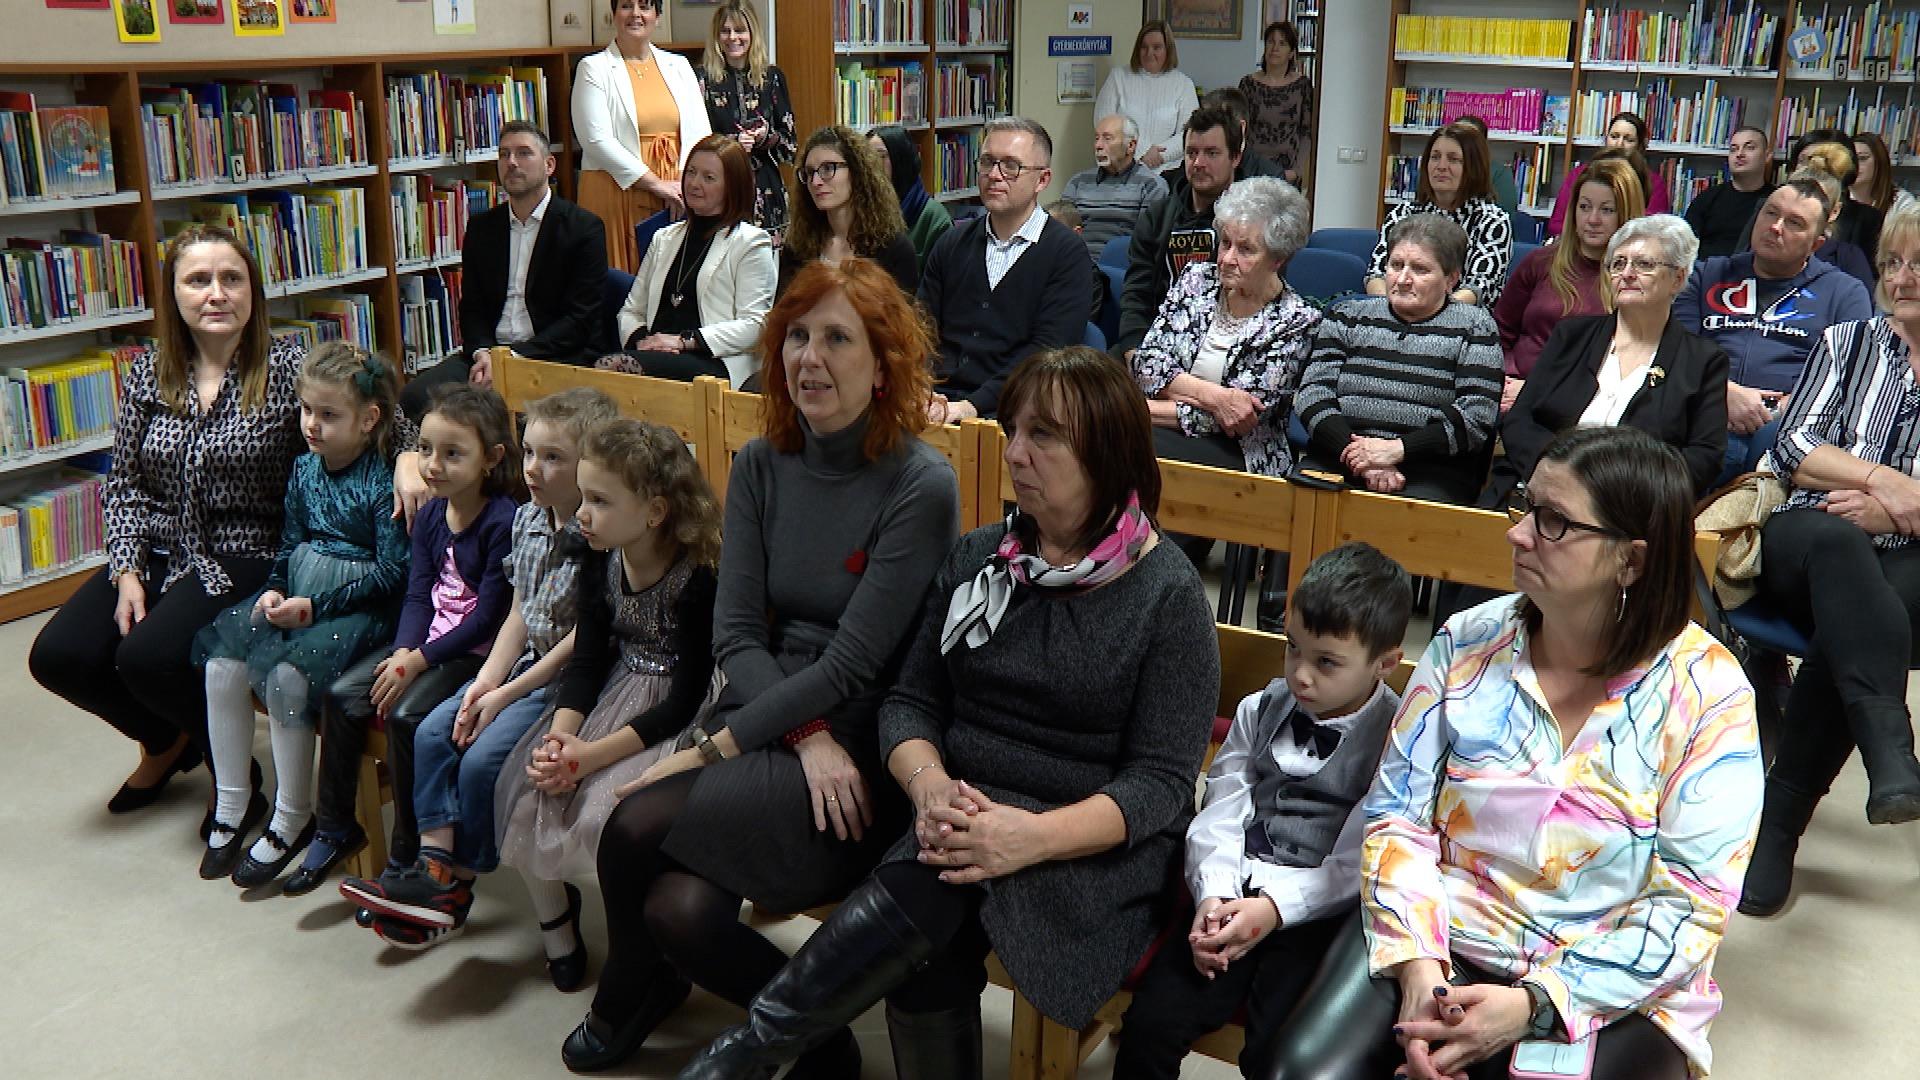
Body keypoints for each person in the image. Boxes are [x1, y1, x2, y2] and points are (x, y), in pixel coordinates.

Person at [676, 346, 1219, 1080]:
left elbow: (1160, 784)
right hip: (959, 807)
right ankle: (747, 1056)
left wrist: (1030, 837)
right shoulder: (980, 559)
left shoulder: (1168, 595)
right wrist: (928, 785)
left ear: (1108, 452)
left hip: (1085, 846)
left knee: (929, 891)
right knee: (935, 915)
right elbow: (912, 702)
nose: (1016, 452)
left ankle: (743, 1057)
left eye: (1044, 435)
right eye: (1014, 429)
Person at [1259, 425, 1761, 1080]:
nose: (1518, 533)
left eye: (1553, 522)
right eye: (1526, 506)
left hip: (1605, 974)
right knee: (1300, 1071)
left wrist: (1533, 1004)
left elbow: (1691, 905)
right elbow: (1397, 817)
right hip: (1441, 932)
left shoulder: (1711, 693)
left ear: (1631, 562)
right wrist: (1421, 971)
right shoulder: (1468, 641)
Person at [557, 258, 960, 1075]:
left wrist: (728, 747)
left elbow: (853, 664)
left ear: (883, 364)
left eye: (837, 339)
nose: (810, 357)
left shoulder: (922, 482)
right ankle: (818, 1042)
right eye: (797, 337)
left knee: (633, 826)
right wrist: (800, 735)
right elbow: (736, 633)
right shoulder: (763, 462)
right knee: (676, 909)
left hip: (859, 739)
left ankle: (625, 993)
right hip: (777, 711)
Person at [28, 223, 425, 828]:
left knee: (146, 658)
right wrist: (128, 569)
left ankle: (232, 775)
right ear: (174, 295)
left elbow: (386, 421)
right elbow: (125, 484)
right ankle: (166, 739)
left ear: (252, 291)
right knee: (58, 656)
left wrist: (407, 457)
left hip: (247, 549)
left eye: (231, 278)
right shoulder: (149, 373)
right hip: (161, 545)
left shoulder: (287, 368)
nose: (216, 293)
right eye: (198, 280)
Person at [1112, 543, 1413, 1080]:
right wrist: (1215, 894)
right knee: (1152, 1024)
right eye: (1293, 648)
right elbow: (1222, 806)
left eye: (1326, 662)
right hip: (1236, 887)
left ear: (1385, 663)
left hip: (1319, 913)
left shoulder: (1397, 739)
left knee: (1278, 1053)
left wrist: (1274, 909)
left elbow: (1360, 860)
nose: (1301, 675)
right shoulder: (1260, 707)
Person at [338, 387, 616, 957]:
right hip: (521, 666)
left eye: (553, 458)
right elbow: (519, 611)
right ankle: (434, 869)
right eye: (530, 452)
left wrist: (504, 692)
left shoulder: (598, 535)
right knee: (436, 730)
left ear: (589, 466)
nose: (533, 469)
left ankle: (455, 884)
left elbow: (584, 640)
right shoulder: (529, 521)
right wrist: (486, 683)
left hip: (568, 681)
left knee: (482, 761)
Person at [1741, 206, 1920, 918]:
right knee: (1844, 552)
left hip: (1907, 556)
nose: (1902, 279)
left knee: (1861, 618)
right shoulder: (1846, 342)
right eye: (1892, 264)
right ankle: (1888, 745)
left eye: (1919, 264)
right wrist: (1884, 483)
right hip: (1808, 535)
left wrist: (1897, 511)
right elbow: (1795, 445)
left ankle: (1777, 827)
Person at [283, 385, 521, 898]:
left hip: (469, 654)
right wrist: (401, 653)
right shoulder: (433, 513)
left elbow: (489, 618)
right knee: (341, 697)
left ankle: (409, 853)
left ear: (491, 458)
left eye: (452, 454)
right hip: (423, 646)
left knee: (406, 717)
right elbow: (418, 592)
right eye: (427, 450)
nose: (432, 465)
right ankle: (334, 828)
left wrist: (419, 660)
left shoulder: (502, 521)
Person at [192, 344, 408, 886]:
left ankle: (292, 815)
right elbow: (289, 544)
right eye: (307, 409)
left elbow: (393, 572)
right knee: (222, 665)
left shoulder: (382, 480)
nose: (311, 424)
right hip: (300, 596)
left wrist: (317, 607)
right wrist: (273, 588)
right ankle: (232, 801)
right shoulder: (304, 468)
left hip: (358, 611)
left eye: (328, 414)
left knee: (288, 680)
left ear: (368, 419)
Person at [1496, 215, 1728, 505]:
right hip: (1539, 491)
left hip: (1631, 508)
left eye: (1644, 264)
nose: (1627, 273)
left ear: (1678, 279)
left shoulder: (1703, 361)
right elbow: (1519, 421)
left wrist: (1611, 487)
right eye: (1618, 264)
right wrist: (1561, 474)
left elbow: (1703, 460)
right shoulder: (1571, 336)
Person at [404, 121, 608, 419]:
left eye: (524, 153)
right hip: (488, 354)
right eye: (504, 154)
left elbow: (580, 319)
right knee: (414, 399)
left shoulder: (583, 228)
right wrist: (483, 353)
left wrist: (511, 358)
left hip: (552, 356)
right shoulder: (482, 228)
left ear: (549, 165)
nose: (511, 162)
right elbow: (472, 308)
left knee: (522, 417)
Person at [1674, 175, 1875, 479]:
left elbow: (1851, 379)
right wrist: (1720, 392)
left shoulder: (1844, 292)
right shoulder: (1706, 275)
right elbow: (1677, 350)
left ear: (1816, 244)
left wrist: (1783, 408)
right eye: (1770, 213)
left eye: (1794, 223)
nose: (1776, 227)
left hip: (1789, 426)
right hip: (1705, 412)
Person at [1299, 213, 1504, 503]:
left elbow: (1476, 416)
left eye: (1420, 269)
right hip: (1339, 455)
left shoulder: (1476, 327)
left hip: (1430, 470)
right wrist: (1361, 457)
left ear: (1451, 279)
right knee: (1300, 501)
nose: (1403, 279)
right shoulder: (1348, 315)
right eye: (1396, 265)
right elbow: (1312, 394)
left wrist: (1396, 450)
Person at [1131, 176, 1320, 478]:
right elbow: (1147, 365)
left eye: (1245, 250)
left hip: (1241, 452)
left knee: (1128, 446)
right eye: (1225, 243)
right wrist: (1219, 398)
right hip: (1165, 430)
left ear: (1278, 259)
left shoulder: (1297, 321)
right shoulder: (1196, 279)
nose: (1228, 259)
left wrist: (1138, 411)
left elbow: (1241, 417)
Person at [919, 117, 1089, 422]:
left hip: (1014, 409)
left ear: (1042, 180)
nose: (994, 175)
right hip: (936, 400)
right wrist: (919, 387)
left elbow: (1047, 354)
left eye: (1011, 166)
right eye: (987, 162)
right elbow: (921, 329)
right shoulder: (952, 242)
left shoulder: (1067, 254)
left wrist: (970, 406)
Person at [609, 134, 776, 387]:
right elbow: (631, 310)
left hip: (712, 360)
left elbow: (755, 326)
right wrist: (643, 341)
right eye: (691, 172)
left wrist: (685, 341)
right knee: (609, 367)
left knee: (613, 367)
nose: (694, 184)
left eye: (709, 177)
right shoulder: (664, 238)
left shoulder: (751, 243)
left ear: (732, 187)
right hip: (653, 354)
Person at [572, 0, 713, 273]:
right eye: (626, 5)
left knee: (671, 279)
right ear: (614, 14)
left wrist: (682, 183)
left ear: (657, 16)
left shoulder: (679, 65)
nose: (635, 14)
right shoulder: (593, 67)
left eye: (645, 6)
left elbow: (700, 132)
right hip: (616, 189)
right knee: (620, 282)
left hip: (676, 193)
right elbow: (595, 139)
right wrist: (657, 184)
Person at [1494, 157, 1647, 408]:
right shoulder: (1540, 262)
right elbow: (1500, 333)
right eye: (1584, 207)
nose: (1592, 219)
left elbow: (1624, 370)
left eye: (1607, 210)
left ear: (1627, 215)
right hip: (1511, 391)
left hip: (1583, 406)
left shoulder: (1634, 281)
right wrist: (1506, 381)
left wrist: (1534, 392)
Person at [1116, 106, 1245, 359]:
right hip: (1155, 343)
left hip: (1219, 348)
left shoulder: (1251, 223)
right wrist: (1133, 351)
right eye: (1191, 153)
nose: (1198, 163)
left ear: (1235, 158)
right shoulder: (1157, 217)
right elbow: (1137, 295)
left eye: (1212, 153)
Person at [1365, 122, 1512, 306]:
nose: (1441, 166)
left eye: (1453, 159)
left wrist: (1428, 314)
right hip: (1396, 310)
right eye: (1435, 157)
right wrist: (1389, 309)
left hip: (1462, 317)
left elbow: (1478, 289)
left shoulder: (1492, 220)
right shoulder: (1404, 213)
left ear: (1473, 167)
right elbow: (1376, 274)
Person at [778, 125, 919, 296]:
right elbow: (783, 309)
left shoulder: (892, 248)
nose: (815, 182)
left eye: (828, 168)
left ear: (856, 172)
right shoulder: (798, 245)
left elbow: (901, 312)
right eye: (809, 173)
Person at [698, 1, 796, 242]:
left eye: (740, 30)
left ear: (752, 33)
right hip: (721, 189)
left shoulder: (772, 78)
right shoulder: (703, 80)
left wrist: (765, 137)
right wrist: (732, 144)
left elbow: (791, 147)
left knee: (768, 262)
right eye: (725, 31)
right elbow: (696, 142)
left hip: (766, 191)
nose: (733, 37)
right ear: (716, 36)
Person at [1061, 114, 1169, 264]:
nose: (1098, 145)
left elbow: (1147, 244)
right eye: (1096, 138)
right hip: (1078, 265)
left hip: (1123, 268)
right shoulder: (1078, 182)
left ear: (1131, 146)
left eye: (1107, 138)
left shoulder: (1152, 186)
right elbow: (1061, 232)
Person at [1545, 111, 1672, 239]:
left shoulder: (1653, 182)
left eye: (1628, 140)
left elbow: (1654, 233)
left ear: (1640, 146)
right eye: (1614, 136)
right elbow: (1556, 224)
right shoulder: (1580, 174)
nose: (1619, 144)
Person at [1094, 20, 1197, 174]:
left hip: (1166, 172)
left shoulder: (1184, 85)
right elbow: (1103, 121)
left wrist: (1160, 155)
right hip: (1120, 169)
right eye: (1144, 47)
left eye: (1156, 47)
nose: (1149, 53)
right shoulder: (1118, 77)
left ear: (1168, 49)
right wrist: (1142, 151)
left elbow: (1189, 133)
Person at [1788, 128, 1884, 264]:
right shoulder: (1773, 205)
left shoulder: (1867, 219)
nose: (1811, 168)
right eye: (1802, 160)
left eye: (1822, 160)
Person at [1786, 153, 1879, 287]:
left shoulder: (1849, 258)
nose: (1801, 208)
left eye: (1818, 200)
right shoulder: (1767, 240)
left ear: (1835, 211)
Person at [1240, 20, 1314, 186]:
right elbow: (1239, 128)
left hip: (1287, 170)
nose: (1275, 48)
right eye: (1271, 42)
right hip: (1252, 168)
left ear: (1291, 52)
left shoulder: (1302, 85)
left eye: (1282, 43)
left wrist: (1297, 170)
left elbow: (1306, 132)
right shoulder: (1248, 84)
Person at [869, 124, 952, 272]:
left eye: (880, 156)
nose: (871, 165)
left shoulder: (933, 218)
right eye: (867, 157)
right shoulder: (860, 210)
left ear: (900, 160)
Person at [1684, 125, 1775, 258]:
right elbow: (1684, 248)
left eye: (1749, 147)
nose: (1739, 154)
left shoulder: (1776, 201)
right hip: (1707, 269)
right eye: (1733, 149)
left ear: (1767, 156)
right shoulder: (1707, 199)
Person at [1042, 198, 1108, 327]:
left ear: (1076, 233)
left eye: (1052, 232)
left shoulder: (1090, 277)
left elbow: (1081, 325)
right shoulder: (1038, 267)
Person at [1198, 86, 1288, 180]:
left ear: (1241, 127)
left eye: (1215, 125)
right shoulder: (1194, 166)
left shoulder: (1271, 177)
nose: (1206, 132)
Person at [1454, 115, 1519, 219]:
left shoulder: (1499, 173)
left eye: (1468, 139)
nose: (1461, 143)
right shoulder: (1439, 168)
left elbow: (1505, 214)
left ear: (1482, 145)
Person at [1854, 131, 1918, 218]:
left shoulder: (1903, 203)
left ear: (1880, 162)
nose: (1854, 164)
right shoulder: (1837, 199)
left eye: (1862, 158)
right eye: (1850, 159)